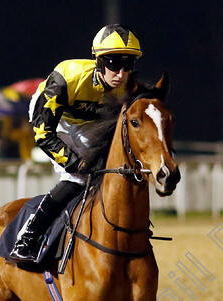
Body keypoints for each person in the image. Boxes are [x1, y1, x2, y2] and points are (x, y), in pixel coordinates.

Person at [9, 24, 142, 262]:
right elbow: (43, 133)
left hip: (87, 123)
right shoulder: (67, 78)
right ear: (98, 61)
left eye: (127, 65)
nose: (120, 74)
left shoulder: (128, 87)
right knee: (77, 177)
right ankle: (27, 238)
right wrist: (75, 163)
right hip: (55, 121)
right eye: (113, 64)